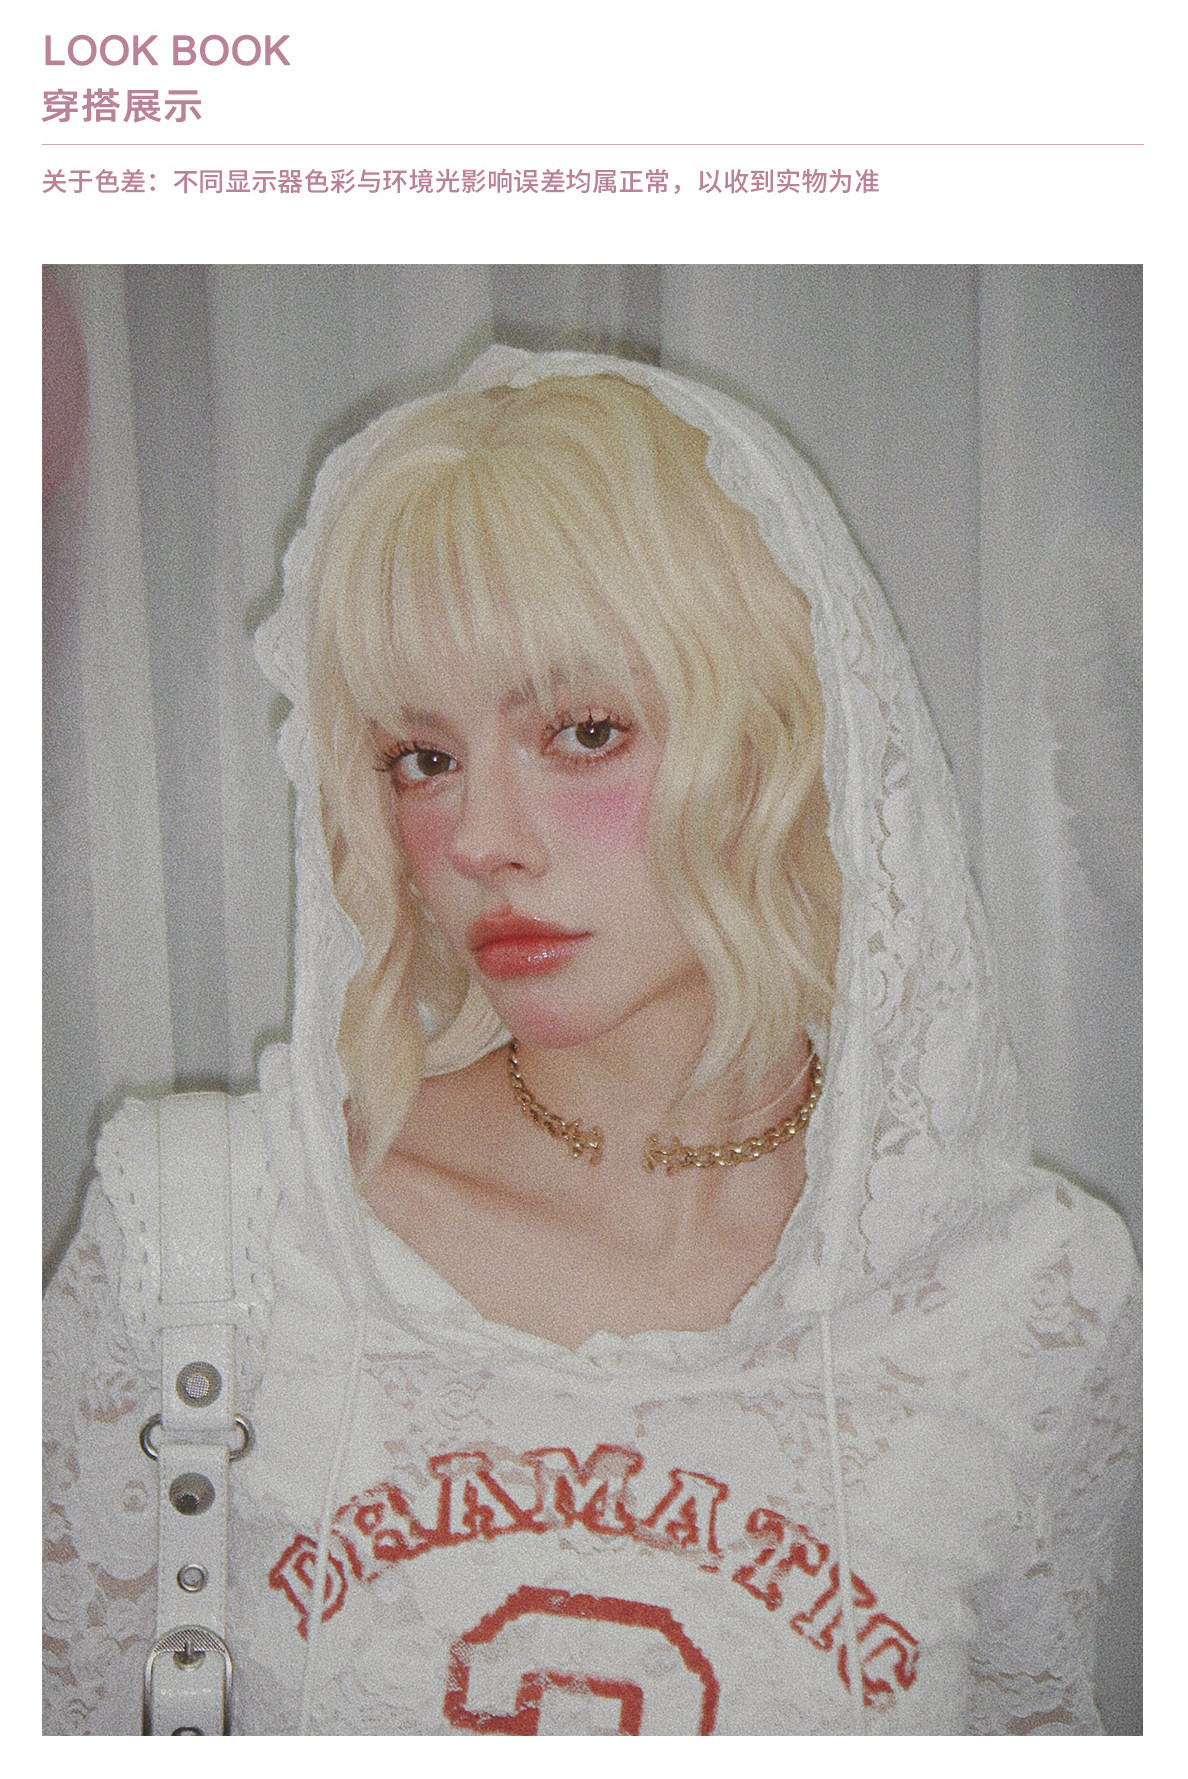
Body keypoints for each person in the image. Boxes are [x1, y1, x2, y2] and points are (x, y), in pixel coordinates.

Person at [43, 345, 1140, 1735]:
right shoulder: (209, 1247)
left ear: (780, 743)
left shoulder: (1026, 1295)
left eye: (582, 732)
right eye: (422, 758)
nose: (479, 840)